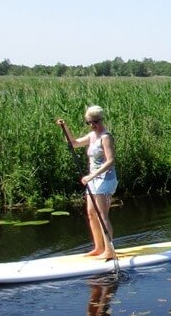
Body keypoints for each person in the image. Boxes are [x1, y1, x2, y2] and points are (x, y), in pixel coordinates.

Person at [57, 105, 118, 260]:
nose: (92, 125)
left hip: (105, 179)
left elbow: (110, 161)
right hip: (93, 179)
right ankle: (99, 248)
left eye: (95, 121)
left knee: (102, 215)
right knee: (91, 214)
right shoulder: (92, 136)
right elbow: (74, 143)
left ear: (101, 119)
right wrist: (65, 127)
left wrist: (91, 176)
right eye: (89, 122)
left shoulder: (106, 137)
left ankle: (109, 250)